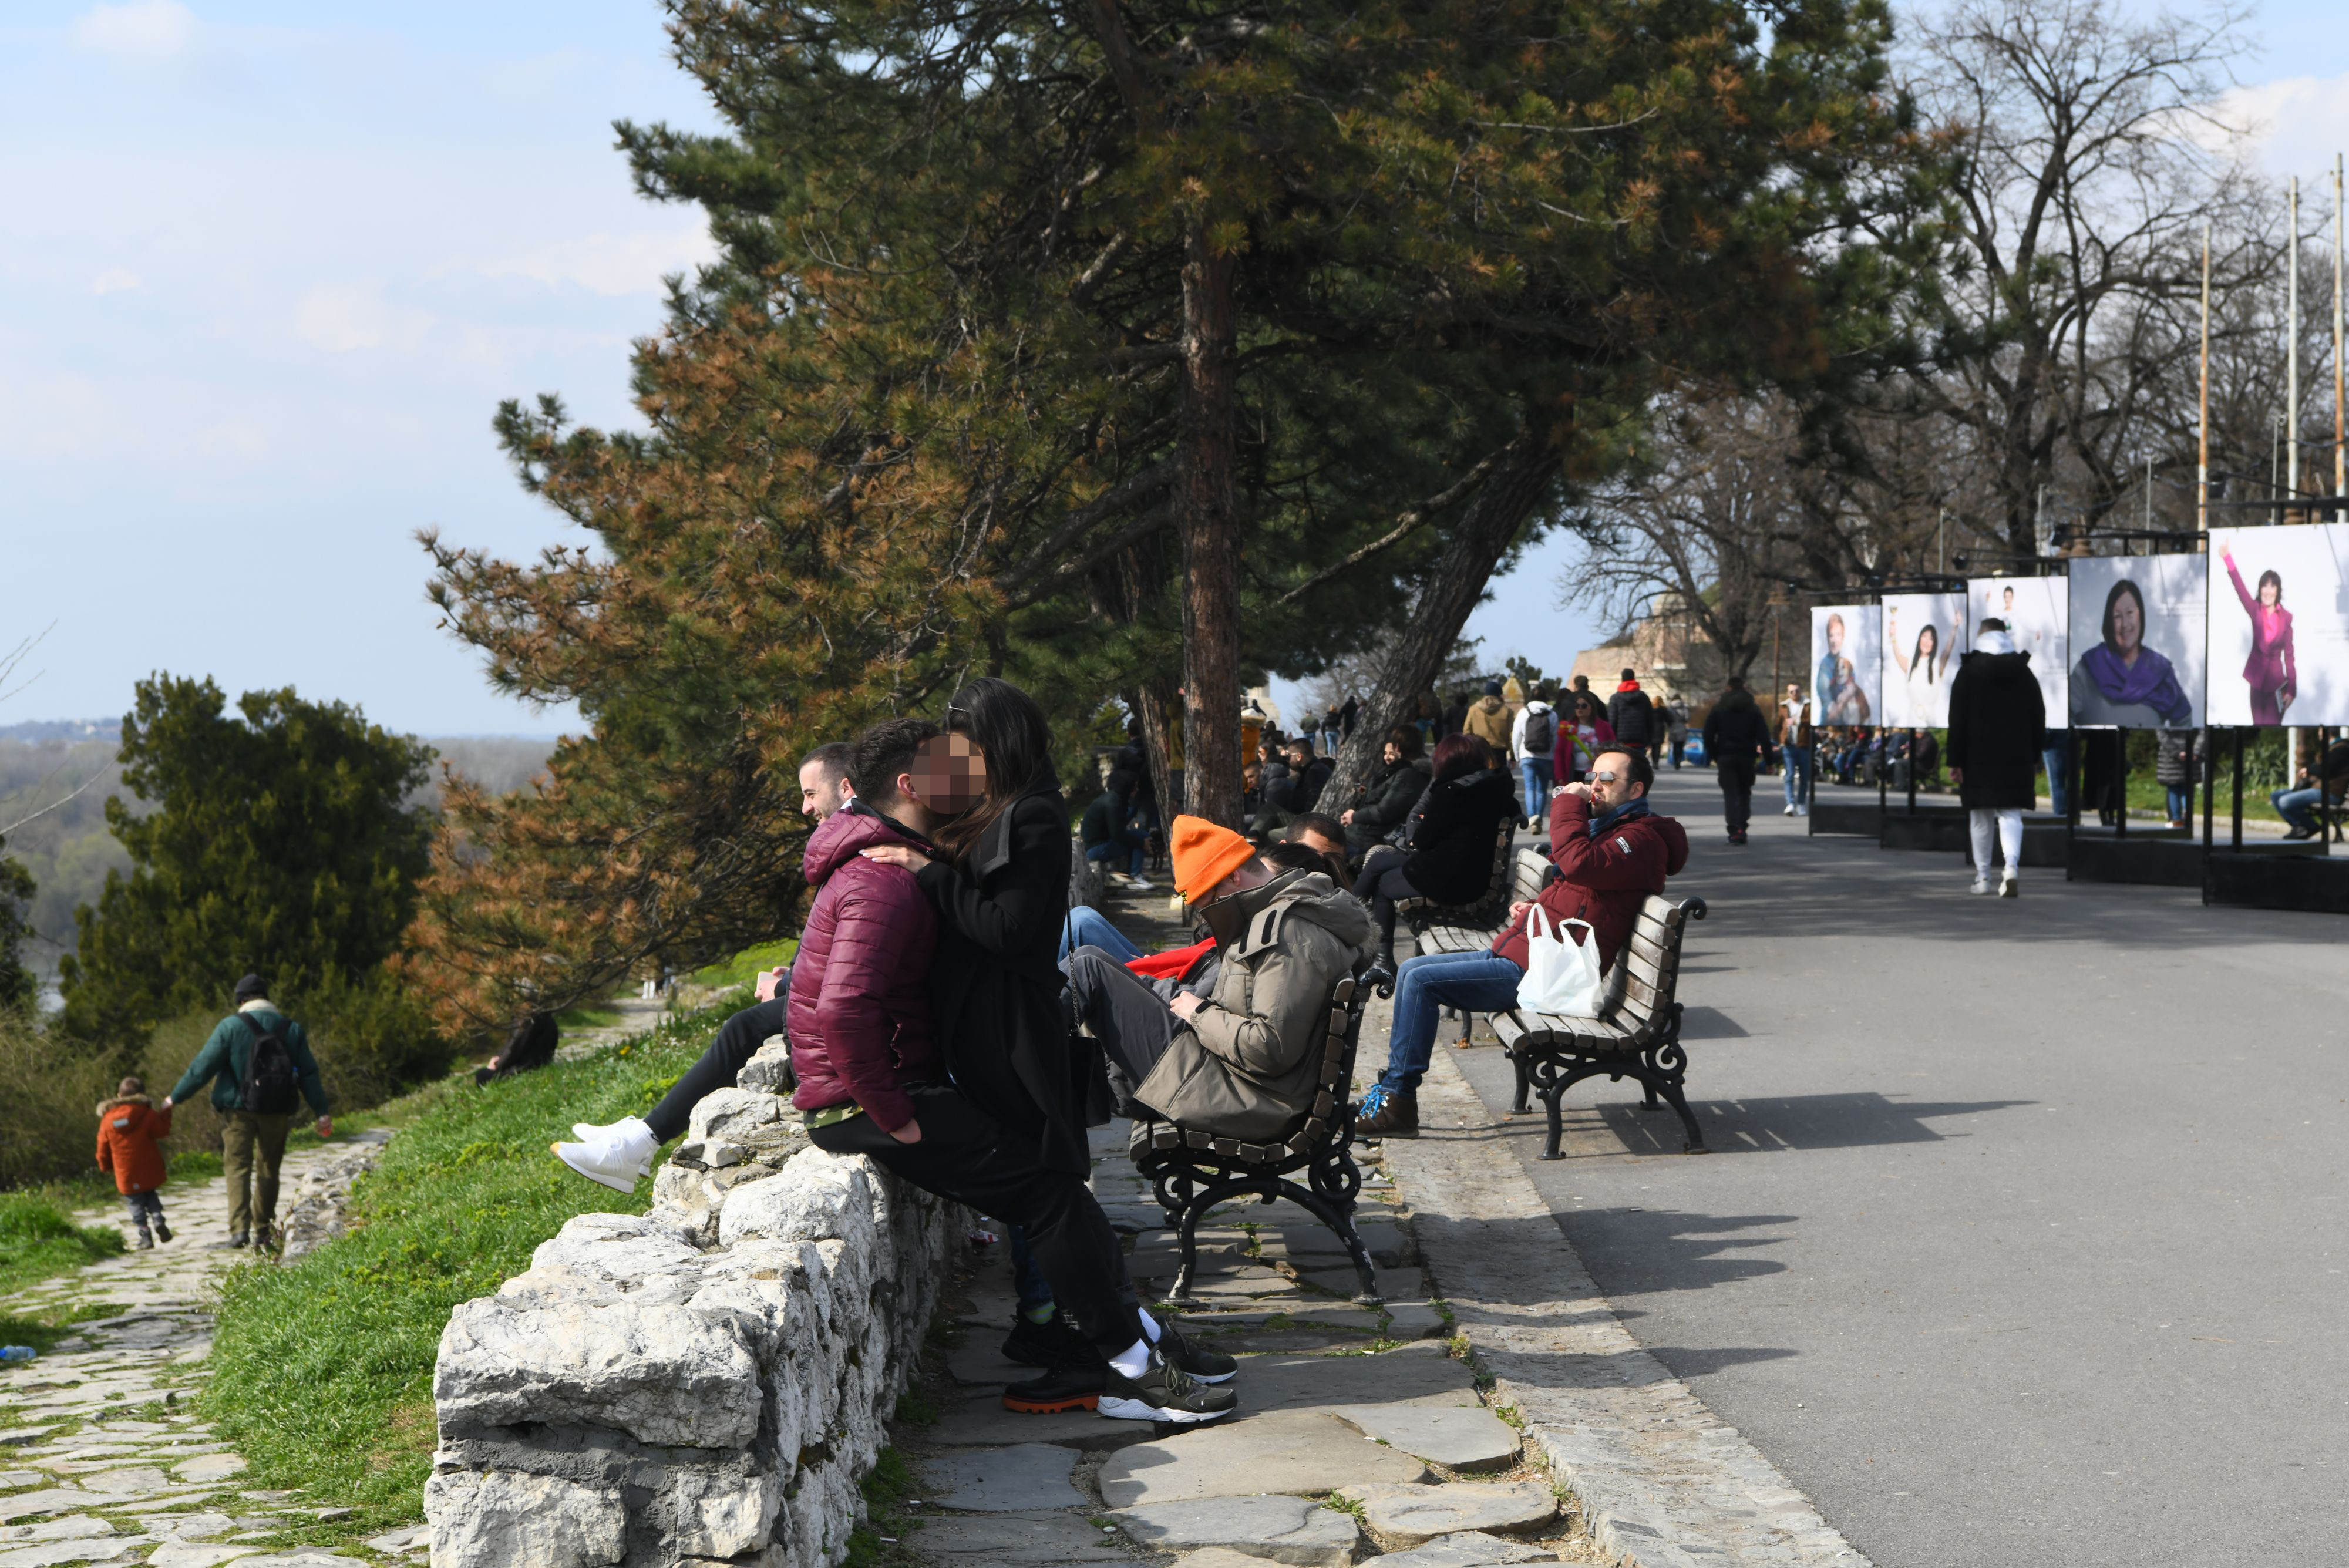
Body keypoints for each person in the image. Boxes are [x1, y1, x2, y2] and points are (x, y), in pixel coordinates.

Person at [785, 719, 1234, 1424]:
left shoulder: (894, 862)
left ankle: (1136, 1339)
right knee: (1048, 1196)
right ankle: (1129, 1372)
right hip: (862, 1104)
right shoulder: (882, 881)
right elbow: (842, 1014)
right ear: (910, 786)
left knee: (1059, 1187)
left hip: (883, 1091)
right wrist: (893, 1112)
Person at [559, 740, 860, 1188]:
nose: (804, 808)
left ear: (846, 787)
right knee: (743, 1025)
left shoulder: (859, 852)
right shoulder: (854, 845)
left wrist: (784, 988)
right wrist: (791, 974)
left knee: (741, 1027)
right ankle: (636, 1135)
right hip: (835, 998)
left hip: (849, 1013)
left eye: (810, 794)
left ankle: (637, 1145)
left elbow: (854, 960)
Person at [1353, 748, 1687, 1138]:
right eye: (1592, 775)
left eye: (1607, 779)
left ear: (1636, 789)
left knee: (1419, 980)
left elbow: (1579, 864)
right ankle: (1394, 1093)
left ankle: (1398, 1098)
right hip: (1528, 954)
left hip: (1542, 975)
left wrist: (1565, 802)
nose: (1594, 786)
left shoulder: (1640, 840)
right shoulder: (1615, 830)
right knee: (1412, 970)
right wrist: (1536, 909)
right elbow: (1585, 893)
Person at [1063, 815, 1373, 1137]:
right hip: (1228, 1078)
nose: (1208, 915)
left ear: (1234, 876)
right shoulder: (1278, 921)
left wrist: (1199, 1012)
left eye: (1209, 902)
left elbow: (1270, 1049)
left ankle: (1015, 1052)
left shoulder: (1289, 935)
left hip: (1242, 1098)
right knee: (1091, 961)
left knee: (1088, 967)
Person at [164, 974, 331, 1250]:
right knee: (269, 1168)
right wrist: (321, 1111)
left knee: (237, 1167)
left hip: (238, 1111)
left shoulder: (231, 1027)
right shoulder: (291, 1029)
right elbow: (309, 1075)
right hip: (277, 1110)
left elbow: (203, 1067)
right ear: (267, 997)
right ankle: (263, 1230)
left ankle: (239, 1231)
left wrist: (175, 1097)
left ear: (241, 1000)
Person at [1352, 735, 1517, 968]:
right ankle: (1368, 946)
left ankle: (1370, 949)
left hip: (1453, 882)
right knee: (1379, 859)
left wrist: (1416, 835)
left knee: (1383, 883)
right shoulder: (1493, 785)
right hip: (1472, 875)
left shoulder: (1452, 791)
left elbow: (1423, 840)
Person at [1948, 619, 2045, 896]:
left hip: (1977, 755)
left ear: (1981, 637)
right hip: (2017, 754)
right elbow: (2039, 716)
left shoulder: (1968, 673)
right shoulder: (2024, 674)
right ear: (2005, 636)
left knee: (1980, 816)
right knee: (2011, 813)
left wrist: (1955, 760)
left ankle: (1982, 877)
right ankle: (2011, 867)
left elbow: (1957, 719)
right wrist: (2035, 754)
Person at [2073, 578, 2193, 727]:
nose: (2125, 624)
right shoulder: (2087, 669)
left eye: (2130, 613)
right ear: (2108, 621)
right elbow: (2067, 722)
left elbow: (2184, 721)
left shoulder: (2160, 671)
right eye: (2117, 616)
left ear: (2140, 615)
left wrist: (2175, 748)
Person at [2219, 544, 2297, 725]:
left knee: (2272, 728)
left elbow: (2290, 658)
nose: (2268, 591)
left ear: (2278, 591)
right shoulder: (2255, 610)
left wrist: (2292, 690)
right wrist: (2227, 558)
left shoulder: (2286, 618)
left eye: (2272, 587)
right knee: (2257, 727)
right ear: (2260, 588)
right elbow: (2240, 588)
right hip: (2256, 683)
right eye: (2264, 586)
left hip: (2276, 686)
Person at [96, 1075, 173, 1250]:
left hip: (125, 1170)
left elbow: (103, 1146)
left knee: (134, 1202)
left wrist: (104, 1165)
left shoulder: (108, 1119)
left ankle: (145, 1234)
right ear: (142, 1095)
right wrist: (166, 1112)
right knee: (150, 1194)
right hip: (149, 1167)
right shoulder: (147, 1114)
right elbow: (162, 1131)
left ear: (119, 1096)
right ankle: (158, 1218)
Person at [1339, 725, 1432, 863]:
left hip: (1367, 841)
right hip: (1363, 836)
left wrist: (1354, 816)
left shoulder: (1408, 775)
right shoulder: (1404, 772)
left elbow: (1384, 812)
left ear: (1397, 748)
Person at [1700, 677, 1769, 845]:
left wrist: (1714, 754)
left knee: (1730, 794)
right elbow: (1764, 736)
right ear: (1744, 687)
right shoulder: (1753, 709)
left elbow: (1708, 735)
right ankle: (1742, 827)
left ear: (1728, 688)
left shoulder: (1719, 708)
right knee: (1744, 792)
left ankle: (1733, 830)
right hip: (1747, 756)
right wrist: (1769, 760)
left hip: (1726, 756)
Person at [1081, 769, 1152, 886]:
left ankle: (1132, 874)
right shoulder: (1113, 804)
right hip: (1096, 849)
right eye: (1134, 787)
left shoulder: (1116, 799)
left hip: (1101, 843)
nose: (1137, 790)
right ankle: (1135, 877)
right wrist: (1141, 843)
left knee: (1141, 835)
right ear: (1127, 787)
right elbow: (1118, 834)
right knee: (1141, 840)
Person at [2271, 736, 2349, 840]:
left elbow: (2326, 770)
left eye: (2321, 730)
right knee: (2276, 795)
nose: (2319, 734)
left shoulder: (2341, 749)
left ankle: (2310, 826)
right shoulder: (2334, 748)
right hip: (2318, 788)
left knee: (2284, 801)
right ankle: (2300, 826)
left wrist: (2309, 770)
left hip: (2330, 792)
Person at [476, 1010, 559, 1088]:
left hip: (525, 1069)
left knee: (482, 1075)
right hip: (541, 1064)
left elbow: (513, 1050)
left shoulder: (527, 1016)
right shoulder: (547, 1016)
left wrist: (495, 1066)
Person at [1510, 696, 1559, 826]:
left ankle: (1533, 817)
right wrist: (1552, 755)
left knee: (1530, 788)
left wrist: (1517, 756)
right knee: (1542, 789)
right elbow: (1555, 737)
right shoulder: (1552, 714)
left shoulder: (1523, 712)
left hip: (1527, 755)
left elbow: (1516, 737)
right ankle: (1539, 819)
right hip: (1547, 757)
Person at [1551, 691, 1615, 785]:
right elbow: (1559, 752)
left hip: (1596, 774)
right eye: (1577, 706)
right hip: (1574, 773)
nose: (1580, 709)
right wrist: (1560, 776)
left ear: (1592, 708)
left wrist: (1600, 760)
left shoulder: (1604, 726)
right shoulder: (1568, 727)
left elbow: (1613, 749)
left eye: (1584, 706)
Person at [1776, 685, 1813, 816]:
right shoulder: (1784, 706)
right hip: (1789, 745)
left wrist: (1798, 721)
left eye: (1797, 691)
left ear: (1801, 692)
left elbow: (1812, 721)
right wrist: (1780, 742)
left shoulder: (1808, 704)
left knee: (1804, 777)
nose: (1794, 693)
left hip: (1804, 745)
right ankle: (1790, 803)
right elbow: (1779, 725)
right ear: (1788, 693)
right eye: (1791, 691)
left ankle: (1801, 803)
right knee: (1790, 775)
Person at [1605, 669, 1654, 755]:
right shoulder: (1644, 697)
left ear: (1622, 679)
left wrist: (1611, 741)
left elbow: (1612, 721)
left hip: (1621, 741)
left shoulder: (1615, 698)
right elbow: (1650, 720)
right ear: (1634, 678)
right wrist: (1650, 740)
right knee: (1639, 766)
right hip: (1640, 740)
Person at [1461, 681, 1512, 755]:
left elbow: (1466, 731)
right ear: (1500, 694)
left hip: (1479, 750)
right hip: (1499, 752)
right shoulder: (1507, 711)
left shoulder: (1473, 709)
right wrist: (1513, 755)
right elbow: (1511, 734)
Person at [1665, 697, 1691, 770]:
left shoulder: (1670, 709)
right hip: (1682, 728)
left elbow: (1668, 719)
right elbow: (1687, 719)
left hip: (1673, 729)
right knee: (1680, 746)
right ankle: (1679, 761)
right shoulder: (1684, 708)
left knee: (1675, 746)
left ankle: (1675, 761)